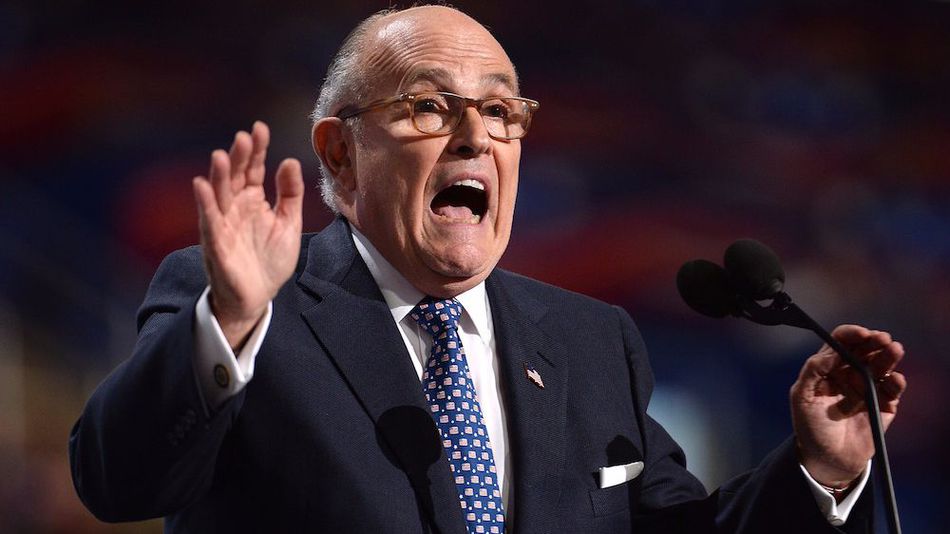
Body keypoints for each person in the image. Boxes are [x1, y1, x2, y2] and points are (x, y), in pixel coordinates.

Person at [68, 5, 906, 533]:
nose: (475, 137)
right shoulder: (240, 310)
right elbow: (119, 482)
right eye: (430, 106)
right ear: (341, 152)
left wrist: (820, 469)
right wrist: (234, 323)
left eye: (502, 112)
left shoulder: (589, 340)